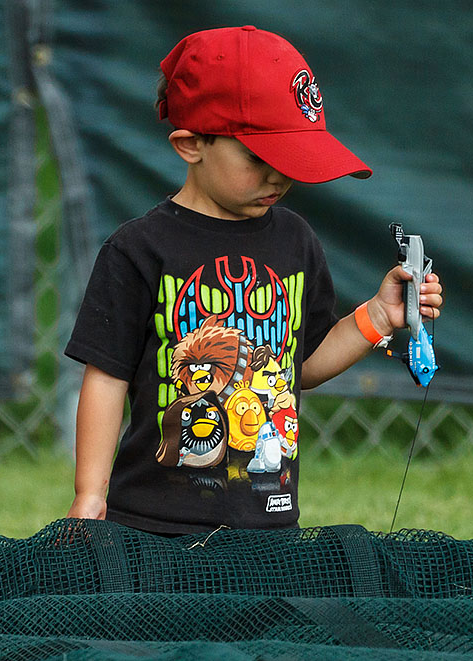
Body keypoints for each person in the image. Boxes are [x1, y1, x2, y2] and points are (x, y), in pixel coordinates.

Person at [64, 26, 443, 535]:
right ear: (191, 144)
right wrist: (90, 495)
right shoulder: (138, 250)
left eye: (292, 160)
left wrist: (377, 316)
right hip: (151, 528)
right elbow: (107, 377)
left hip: (269, 530)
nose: (278, 177)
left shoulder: (296, 241)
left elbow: (301, 366)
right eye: (260, 158)